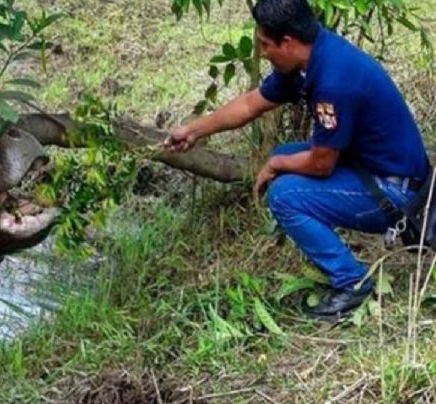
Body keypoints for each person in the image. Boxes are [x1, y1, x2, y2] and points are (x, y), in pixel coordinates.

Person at [164, 0, 430, 321]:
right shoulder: (311, 57)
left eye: (265, 45)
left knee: (285, 195)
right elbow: (251, 104)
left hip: (398, 192)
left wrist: (275, 167)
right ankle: (314, 235)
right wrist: (193, 130)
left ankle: (352, 283)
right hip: (374, 167)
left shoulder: (333, 81)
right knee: (284, 155)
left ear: (287, 42)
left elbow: (321, 164)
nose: (262, 53)